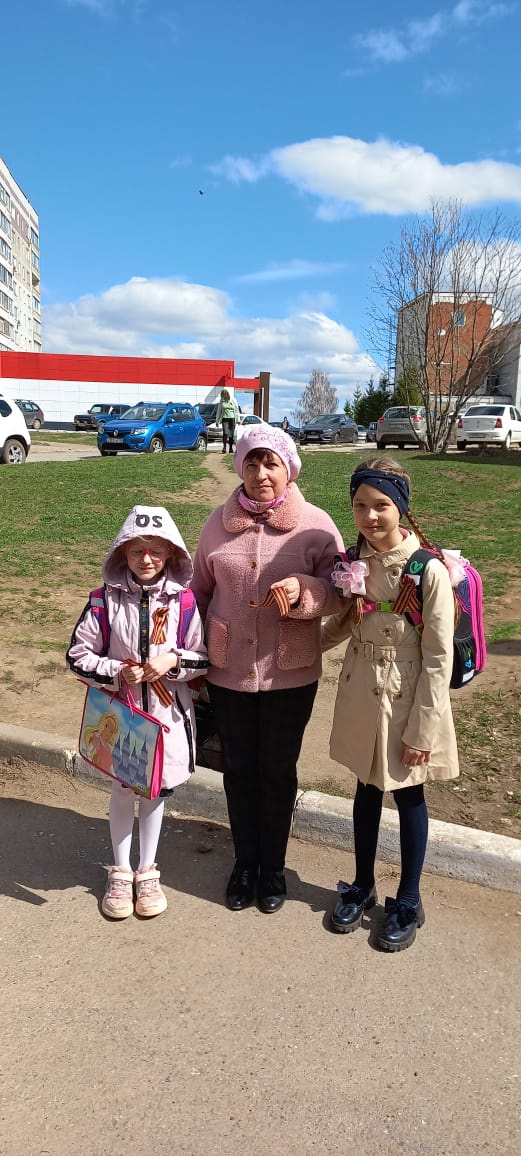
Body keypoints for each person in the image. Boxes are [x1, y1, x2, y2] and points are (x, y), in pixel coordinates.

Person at [192, 425, 344, 913]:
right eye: (252, 463)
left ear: (289, 469)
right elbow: (198, 593)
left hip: (290, 674)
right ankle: (245, 864)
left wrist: (306, 590)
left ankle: (273, 869)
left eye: (271, 463)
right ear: (241, 467)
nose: (261, 473)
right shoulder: (217, 524)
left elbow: (341, 591)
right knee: (238, 770)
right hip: (227, 672)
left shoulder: (316, 525)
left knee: (277, 771)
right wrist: (192, 659)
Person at [322, 457, 459, 951]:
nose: (370, 516)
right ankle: (361, 885)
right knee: (364, 789)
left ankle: (409, 899)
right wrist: (295, 649)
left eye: (381, 505)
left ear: (401, 506)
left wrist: (422, 731)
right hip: (362, 690)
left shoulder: (427, 570)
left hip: (408, 697)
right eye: (360, 505)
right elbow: (344, 622)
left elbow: (438, 659)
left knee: (408, 795)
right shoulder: (352, 563)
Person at [67, 506, 208, 920]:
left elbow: (202, 657)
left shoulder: (183, 602)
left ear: (171, 553)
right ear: (122, 553)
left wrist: (173, 661)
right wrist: (116, 670)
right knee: (122, 790)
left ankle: (147, 870)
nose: (147, 559)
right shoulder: (103, 601)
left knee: (154, 792)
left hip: (166, 717)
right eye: (137, 551)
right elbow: (77, 656)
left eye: (156, 551)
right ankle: (120, 870)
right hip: (121, 718)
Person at [215, 388, 240, 453]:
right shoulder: (221, 401)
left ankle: (231, 448)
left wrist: (238, 419)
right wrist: (217, 421)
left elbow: (236, 410)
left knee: (231, 434)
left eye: (223, 395)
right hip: (225, 419)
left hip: (232, 419)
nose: (222, 396)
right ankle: (224, 448)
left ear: (226, 394)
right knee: (225, 433)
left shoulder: (233, 400)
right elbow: (219, 411)